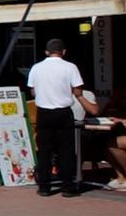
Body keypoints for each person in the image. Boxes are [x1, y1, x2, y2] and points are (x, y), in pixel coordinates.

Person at [27, 38, 85, 197]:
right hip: (64, 111)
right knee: (65, 149)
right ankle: (67, 186)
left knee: (44, 150)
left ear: (46, 52)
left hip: (44, 111)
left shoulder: (36, 68)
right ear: (63, 52)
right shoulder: (70, 67)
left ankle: (44, 186)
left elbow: (32, 91)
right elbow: (78, 90)